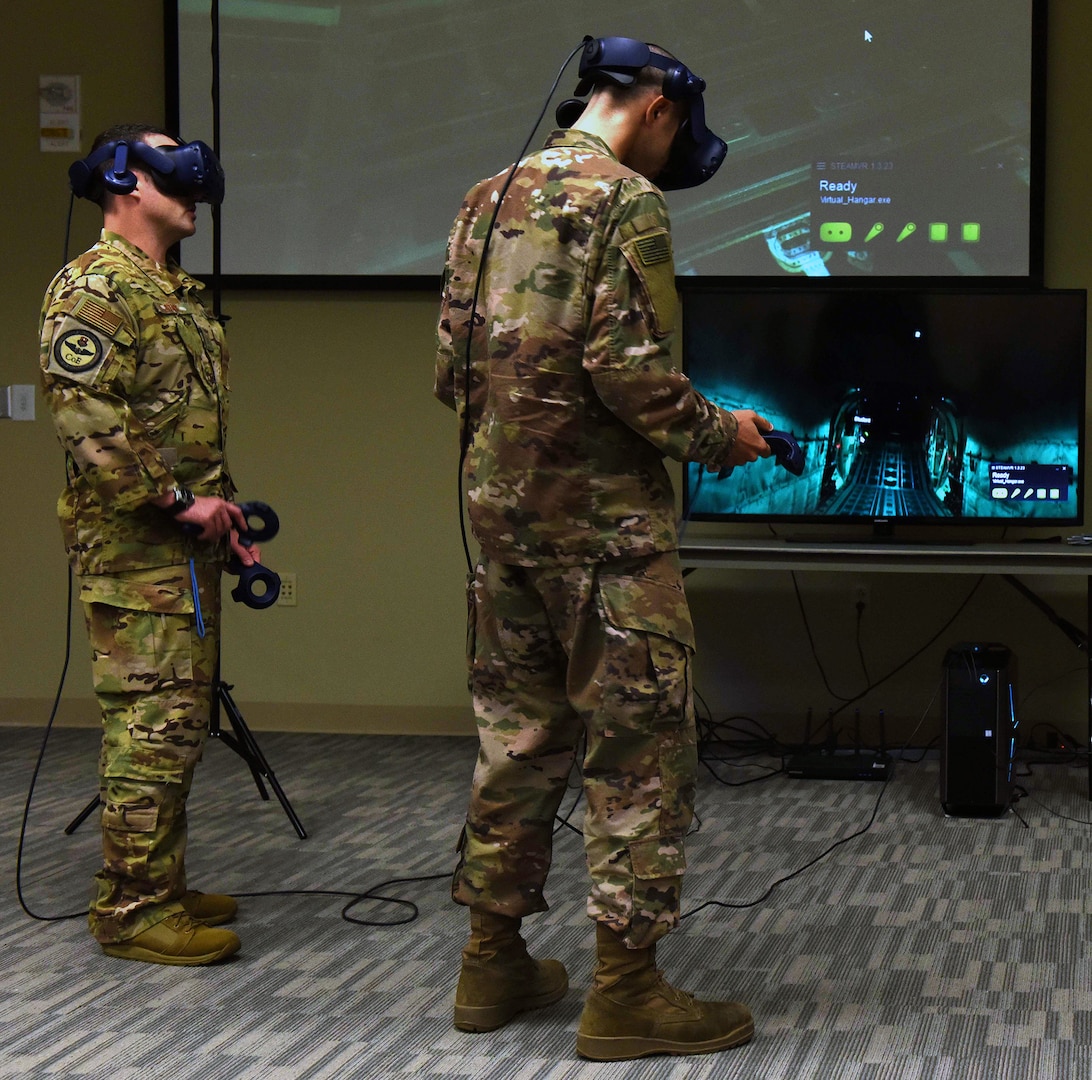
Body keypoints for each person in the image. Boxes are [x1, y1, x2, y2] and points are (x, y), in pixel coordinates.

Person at [435, 38, 772, 1061]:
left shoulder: (485, 196)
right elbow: (629, 375)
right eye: (678, 135)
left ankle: (491, 965)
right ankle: (626, 993)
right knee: (637, 755)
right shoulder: (627, 200)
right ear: (657, 106)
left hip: (501, 522)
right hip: (606, 536)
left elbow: (453, 363)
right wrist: (727, 435)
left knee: (517, 742)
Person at [39, 124, 259, 965]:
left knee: (175, 722)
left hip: (181, 552)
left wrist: (225, 519)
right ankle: (132, 910)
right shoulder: (95, 289)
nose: (194, 183)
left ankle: (156, 879)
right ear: (126, 181)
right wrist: (175, 504)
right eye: (173, 166)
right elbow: (90, 424)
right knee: (150, 726)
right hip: (135, 553)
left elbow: (187, 433)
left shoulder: (172, 292)